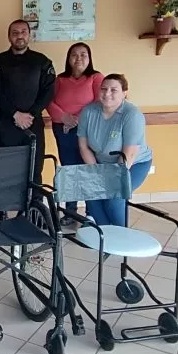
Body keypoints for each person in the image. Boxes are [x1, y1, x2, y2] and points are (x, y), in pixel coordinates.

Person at [0, 19, 55, 205]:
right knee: (6, 170)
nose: (19, 36)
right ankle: (4, 211)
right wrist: (15, 114)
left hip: (34, 123)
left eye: (23, 32)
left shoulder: (42, 61)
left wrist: (31, 114)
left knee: (35, 169)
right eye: (15, 32)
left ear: (29, 35)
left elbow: (48, 92)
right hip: (7, 124)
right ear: (9, 36)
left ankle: (34, 210)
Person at [77, 74, 153, 226]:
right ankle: (106, 233)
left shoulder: (132, 115)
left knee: (114, 196)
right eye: (104, 89)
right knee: (92, 192)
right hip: (101, 164)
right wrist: (97, 173)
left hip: (133, 163)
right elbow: (83, 146)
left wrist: (111, 179)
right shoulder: (88, 111)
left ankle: (121, 235)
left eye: (114, 90)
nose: (107, 93)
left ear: (124, 93)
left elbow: (128, 154)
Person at [46, 43, 104, 223]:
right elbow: (49, 102)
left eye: (83, 54)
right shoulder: (59, 80)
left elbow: (99, 102)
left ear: (89, 57)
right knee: (70, 170)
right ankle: (70, 212)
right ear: (68, 58)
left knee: (88, 170)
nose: (78, 58)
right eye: (74, 54)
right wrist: (64, 117)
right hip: (63, 130)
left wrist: (76, 120)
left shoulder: (96, 77)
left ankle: (91, 213)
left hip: (87, 130)